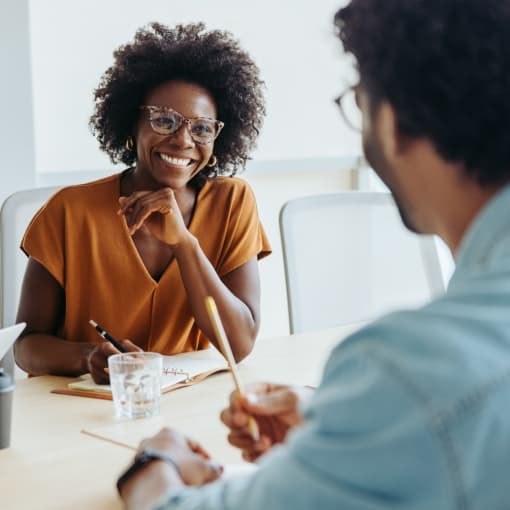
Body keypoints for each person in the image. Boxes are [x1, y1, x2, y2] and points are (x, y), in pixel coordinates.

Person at [116, 1, 510, 509]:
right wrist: (352, 432)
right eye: (165, 121)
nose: (182, 140)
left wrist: (156, 461)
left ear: (389, 121)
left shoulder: (410, 368)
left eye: (357, 101)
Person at [13, 23, 271, 384]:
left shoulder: (233, 203)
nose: (183, 140)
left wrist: (185, 243)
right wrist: (88, 356)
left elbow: (239, 345)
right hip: (83, 410)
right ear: (131, 126)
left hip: (187, 407)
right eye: (164, 120)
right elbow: (25, 346)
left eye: (202, 128)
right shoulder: (69, 212)